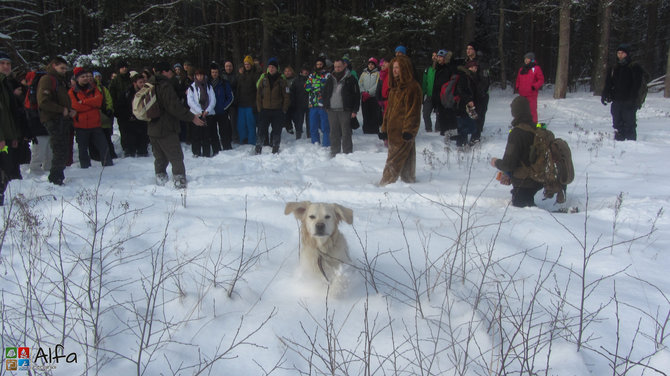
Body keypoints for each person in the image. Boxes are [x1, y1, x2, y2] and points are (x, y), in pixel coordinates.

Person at [148, 62, 205, 188]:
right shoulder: (164, 86)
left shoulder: (150, 84)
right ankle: (179, 181)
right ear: (164, 72)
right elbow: (174, 107)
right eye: (169, 71)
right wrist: (191, 117)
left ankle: (160, 177)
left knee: (160, 156)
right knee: (176, 156)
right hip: (166, 127)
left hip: (152, 127)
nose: (171, 74)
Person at [490, 96, 544, 207]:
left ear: (515, 112)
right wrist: (508, 174)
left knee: (524, 212)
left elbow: (508, 164)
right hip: (539, 179)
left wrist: (495, 162)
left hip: (524, 183)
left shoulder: (517, 133)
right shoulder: (538, 129)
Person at [378, 56, 422, 186]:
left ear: (405, 68)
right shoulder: (394, 88)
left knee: (393, 161)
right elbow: (388, 112)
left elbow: (413, 112)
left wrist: (409, 130)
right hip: (392, 130)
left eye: (398, 67)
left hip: (403, 131)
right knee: (407, 157)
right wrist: (384, 129)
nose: (395, 70)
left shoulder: (412, 87)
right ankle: (408, 180)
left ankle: (385, 184)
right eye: (393, 68)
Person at [37, 57, 75, 186]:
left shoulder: (59, 81)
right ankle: (55, 178)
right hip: (54, 119)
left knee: (63, 149)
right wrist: (62, 110)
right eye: (61, 68)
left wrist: (69, 110)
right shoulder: (48, 79)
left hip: (61, 119)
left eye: (65, 68)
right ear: (54, 66)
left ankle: (58, 176)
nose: (64, 71)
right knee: (59, 149)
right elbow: (43, 101)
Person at [68, 67, 113, 168]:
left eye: (86, 76)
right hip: (81, 125)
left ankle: (108, 165)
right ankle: (85, 167)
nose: (85, 78)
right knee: (83, 148)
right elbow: (75, 106)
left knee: (103, 146)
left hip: (95, 123)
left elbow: (99, 101)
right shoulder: (72, 92)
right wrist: (91, 105)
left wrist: (84, 102)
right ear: (77, 79)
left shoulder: (94, 89)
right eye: (82, 77)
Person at [601, 43, 645, 141]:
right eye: (618, 53)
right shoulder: (614, 68)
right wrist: (604, 95)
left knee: (629, 124)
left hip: (629, 100)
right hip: (616, 100)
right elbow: (608, 83)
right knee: (617, 124)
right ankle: (619, 145)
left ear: (627, 54)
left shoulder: (634, 67)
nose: (620, 55)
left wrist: (633, 99)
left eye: (622, 53)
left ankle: (631, 145)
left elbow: (637, 85)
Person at [0, 51, 27, 204]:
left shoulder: (6, 83)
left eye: (8, 63)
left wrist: (14, 136)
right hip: (2, 139)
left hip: (9, 137)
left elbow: (10, 114)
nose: (6, 66)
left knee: (9, 167)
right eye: (2, 63)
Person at [324, 59, 360, 156]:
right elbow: (325, 92)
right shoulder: (330, 78)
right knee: (333, 133)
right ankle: (334, 152)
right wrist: (326, 105)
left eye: (339, 66)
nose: (337, 68)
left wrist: (355, 110)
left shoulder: (351, 78)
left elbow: (357, 96)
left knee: (346, 133)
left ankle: (347, 153)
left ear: (344, 66)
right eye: (335, 67)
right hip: (331, 110)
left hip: (345, 110)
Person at [255, 58, 290, 154]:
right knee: (261, 130)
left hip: (277, 110)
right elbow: (258, 95)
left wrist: (284, 109)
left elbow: (286, 96)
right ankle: (258, 147)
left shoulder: (282, 81)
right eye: (270, 67)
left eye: (273, 67)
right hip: (264, 110)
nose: (271, 69)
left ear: (276, 69)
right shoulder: (263, 80)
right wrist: (259, 108)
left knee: (276, 130)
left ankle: (275, 146)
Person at [24, 69, 52, 175]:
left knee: (42, 152)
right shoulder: (37, 91)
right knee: (42, 152)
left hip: (39, 125)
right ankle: (36, 172)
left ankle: (40, 172)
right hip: (41, 125)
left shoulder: (33, 90)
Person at [117, 72, 149, 157]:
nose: (142, 84)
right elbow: (120, 108)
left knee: (143, 138)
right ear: (135, 83)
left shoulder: (147, 92)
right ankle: (130, 151)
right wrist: (128, 116)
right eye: (140, 82)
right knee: (130, 138)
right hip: (130, 121)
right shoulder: (127, 93)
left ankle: (142, 150)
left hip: (142, 120)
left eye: (143, 82)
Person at [186, 68, 216, 158]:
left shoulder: (209, 86)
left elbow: (213, 100)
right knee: (196, 135)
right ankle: (196, 152)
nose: (199, 77)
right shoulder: (192, 87)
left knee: (206, 135)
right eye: (198, 75)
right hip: (196, 114)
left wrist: (207, 110)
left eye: (201, 75)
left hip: (208, 114)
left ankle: (206, 153)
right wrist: (200, 111)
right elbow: (190, 101)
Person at [465, 42, 490, 143]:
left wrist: (480, 93)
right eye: (467, 49)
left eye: (470, 48)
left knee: (479, 115)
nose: (468, 51)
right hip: (470, 94)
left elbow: (485, 80)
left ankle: (476, 137)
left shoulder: (482, 63)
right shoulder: (465, 62)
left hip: (480, 94)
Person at [452, 61, 480, 147]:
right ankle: (460, 143)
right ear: (469, 68)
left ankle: (461, 142)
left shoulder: (471, 76)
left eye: (476, 67)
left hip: (467, 105)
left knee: (468, 125)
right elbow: (461, 90)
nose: (475, 69)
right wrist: (468, 100)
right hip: (462, 105)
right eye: (473, 67)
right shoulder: (464, 77)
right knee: (465, 125)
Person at [109, 60, 133, 156]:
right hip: (121, 108)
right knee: (124, 129)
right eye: (122, 67)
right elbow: (112, 96)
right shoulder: (115, 81)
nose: (124, 68)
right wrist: (116, 109)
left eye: (125, 67)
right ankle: (126, 148)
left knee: (133, 128)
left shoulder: (131, 80)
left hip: (132, 107)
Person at [305, 57, 330, 146]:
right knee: (313, 126)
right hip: (313, 104)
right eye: (317, 64)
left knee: (325, 126)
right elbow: (307, 87)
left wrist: (316, 87)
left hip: (323, 104)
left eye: (320, 64)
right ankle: (315, 143)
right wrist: (315, 88)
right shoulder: (312, 75)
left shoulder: (328, 75)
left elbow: (327, 88)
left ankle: (326, 144)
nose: (319, 66)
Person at [209, 63, 234, 152]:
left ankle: (227, 148)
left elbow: (230, 97)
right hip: (211, 112)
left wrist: (224, 107)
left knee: (224, 131)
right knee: (213, 132)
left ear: (218, 73)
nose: (214, 74)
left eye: (216, 72)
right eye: (213, 72)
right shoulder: (208, 83)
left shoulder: (224, 83)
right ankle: (216, 150)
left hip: (222, 111)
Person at [432, 49, 457, 135]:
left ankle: (450, 133)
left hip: (448, 97)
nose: (438, 59)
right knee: (441, 116)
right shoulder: (438, 69)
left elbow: (452, 83)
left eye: (440, 57)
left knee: (449, 116)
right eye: (438, 57)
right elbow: (436, 84)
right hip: (439, 97)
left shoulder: (450, 68)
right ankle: (444, 133)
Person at [236, 55, 261, 145]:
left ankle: (252, 141)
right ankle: (243, 139)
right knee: (241, 124)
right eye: (245, 64)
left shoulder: (255, 74)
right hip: (241, 103)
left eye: (248, 64)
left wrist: (256, 103)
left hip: (251, 104)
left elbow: (258, 88)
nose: (246, 65)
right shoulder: (241, 74)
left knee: (251, 124)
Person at [515, 52, 544, 124]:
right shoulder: (522, 69)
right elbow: (518, 79)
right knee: (522, 110)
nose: (526, 60)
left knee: (532, 111)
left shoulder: (536, 68)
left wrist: (534, 86)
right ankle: (523, 125)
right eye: (525, 58)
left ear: (531, 59)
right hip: (522, 94)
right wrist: (517, 87)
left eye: (527, 58)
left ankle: (533, 126)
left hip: (531, 94)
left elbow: (541, 80)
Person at [358, 57, 381, 134]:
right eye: (369, 64)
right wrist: (363, 92)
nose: (370, 66)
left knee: (374, 113)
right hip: (364, 97)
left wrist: (369, 92)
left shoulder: (378, 73)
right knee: (366, 113)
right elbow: (360, 83)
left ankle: (374, 129)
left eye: (372, 64)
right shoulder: (364, 73)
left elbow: (377, 84)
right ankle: (366, 129)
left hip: (373, 97)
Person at [290, 65, 310, 139]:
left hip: (309, 104)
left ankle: (309, 136)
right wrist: (293, 102)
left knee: (309, 122)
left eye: (307, 70)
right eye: (304, 70)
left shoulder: (311, 79)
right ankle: (298, 136)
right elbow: (292, 92)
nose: (305, 72)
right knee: (299, 121)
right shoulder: (296, 80)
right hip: (299, 103)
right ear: (301, 71)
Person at [222, 60, 239, 143]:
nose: (228, 68)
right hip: (224, 103)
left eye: (230, 66)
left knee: (233, 121)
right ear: (224, 67)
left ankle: (235, 137)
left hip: (233, 102)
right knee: (225, 122)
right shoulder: (221, 76)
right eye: (227, 66)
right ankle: (227, 137)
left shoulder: (236, 76)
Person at [421, 52, 437, 132]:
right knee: (425, 113)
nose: (434, 57)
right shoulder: (427, 69)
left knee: (439, 115)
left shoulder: (441, 69)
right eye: (433, 55)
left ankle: (438, 130)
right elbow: (424, 83)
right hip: (429, 95)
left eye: (436, 56)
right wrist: (422, 94)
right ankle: (428, 129)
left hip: (439, 96)